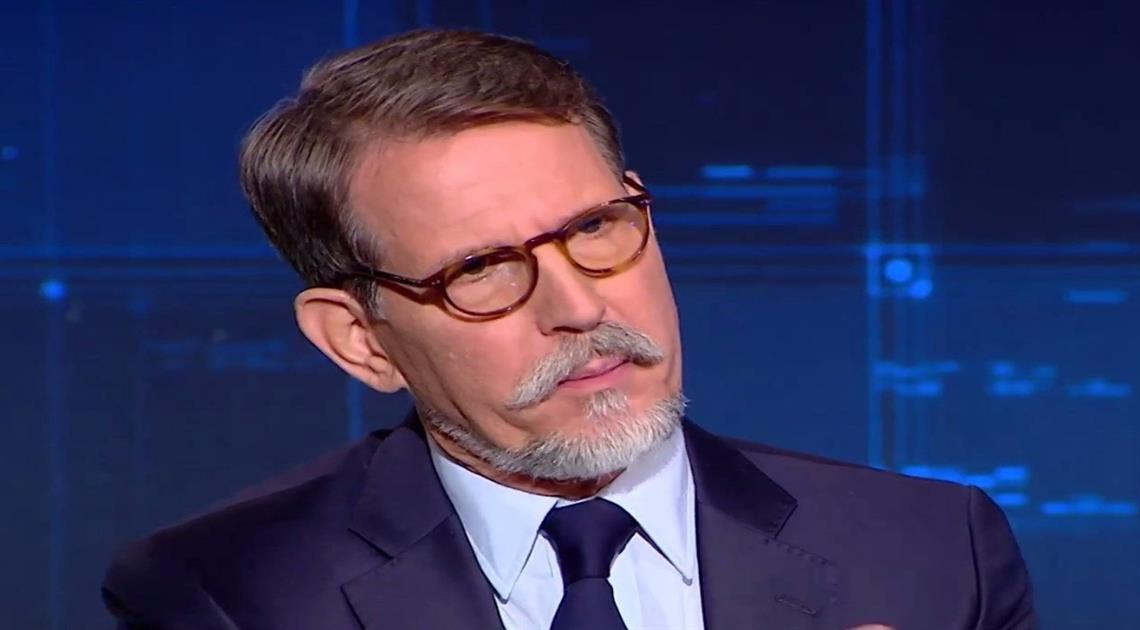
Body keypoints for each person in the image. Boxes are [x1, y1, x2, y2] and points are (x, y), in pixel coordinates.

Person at [102, 28, 1037, 630]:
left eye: (595, 229)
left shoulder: (932, 553)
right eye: (479, 270)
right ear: (362, 340)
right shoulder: (226, 594)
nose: (582, 308)